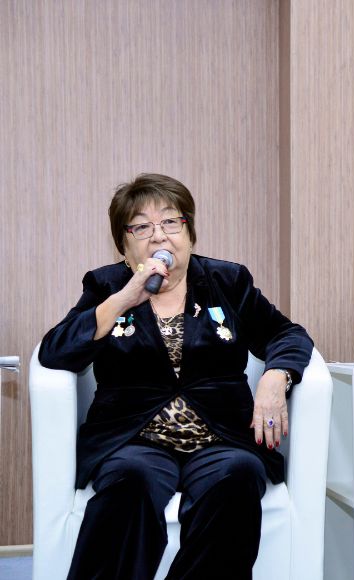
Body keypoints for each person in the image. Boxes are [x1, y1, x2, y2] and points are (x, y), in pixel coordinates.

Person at [39, 173, 313, 580]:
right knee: (129, 482)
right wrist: (124, 299)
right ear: (124, 245)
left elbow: (287, 334)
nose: (159, 235)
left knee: (237, 476)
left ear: (189, 234)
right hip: (133, 438)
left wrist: (276, 375)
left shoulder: (227, 281)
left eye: (170, 221)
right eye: (141, 226)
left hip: (221, 436)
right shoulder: (107, 285)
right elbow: (55, 350)